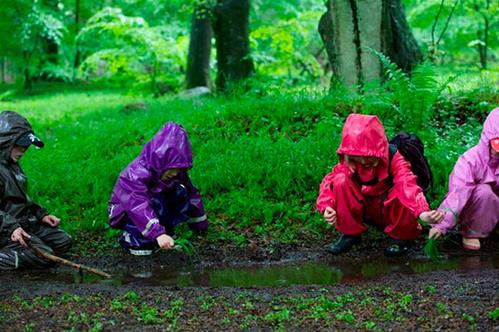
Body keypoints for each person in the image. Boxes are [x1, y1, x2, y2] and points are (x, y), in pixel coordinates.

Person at [316, 114, 444, 256]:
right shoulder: (349, 162)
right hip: (368, 209)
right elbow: (329, 183)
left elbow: (407, 185)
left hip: (391, 211)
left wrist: (422, 212)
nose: (364, 162)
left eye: (369, 158)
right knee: (340, 180)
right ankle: (350, 233)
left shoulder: (395, 158)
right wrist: (327, 206)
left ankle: (403, 237)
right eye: (359, 158)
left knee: (400, 192)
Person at [109, 121, 208, 256]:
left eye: (179, 170)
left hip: (154, 205)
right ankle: (135, 238)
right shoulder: (134, 175)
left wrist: (200, 226)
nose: (175, 174)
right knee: (153, 201)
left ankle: (165, 233)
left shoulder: (176, 175)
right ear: (161, 162)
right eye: (173, 169)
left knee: (180, 191)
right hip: (127, 211)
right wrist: (158, 234)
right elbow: (137, 206)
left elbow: (192, 195)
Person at [0, 111, 72, 270]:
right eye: (20, 145)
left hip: (22, 223)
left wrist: (41, 214)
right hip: (6, 229)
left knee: (63, 241)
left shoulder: (12, 164)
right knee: (44, 257)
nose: (23, 150)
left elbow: (21, 199)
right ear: (5, 142)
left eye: (26, 146)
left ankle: (24, 248)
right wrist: (11, 228)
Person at [429, 108, 498, 250]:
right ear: (487, 138)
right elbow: (458, 194)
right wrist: (441, 225)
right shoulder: (471, 160)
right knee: (484, 192)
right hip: (477, 209)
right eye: (496, 143)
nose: (497, 150)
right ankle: (472, 232)